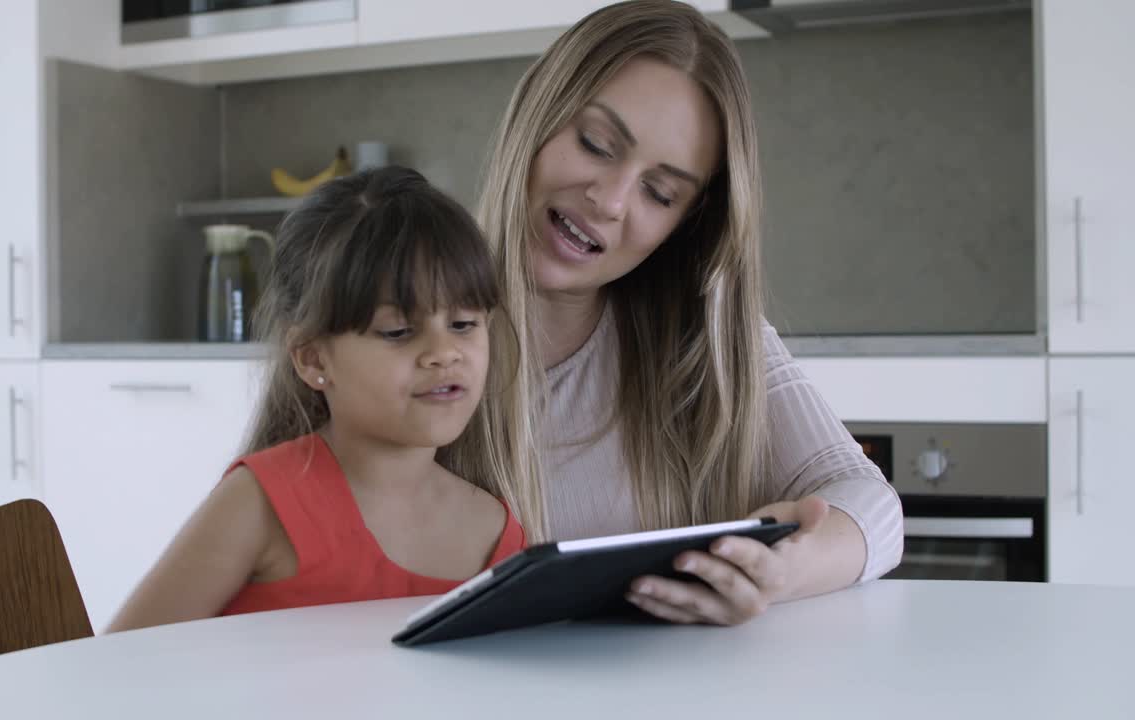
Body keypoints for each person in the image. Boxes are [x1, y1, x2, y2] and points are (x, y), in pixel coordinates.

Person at [468, 0, 905, 625]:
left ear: (684, 224)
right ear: (537, 108)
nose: (611, 201)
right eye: (596, 143)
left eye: (660, 192)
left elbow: (872, 507)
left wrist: (778, 573)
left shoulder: (706, 336)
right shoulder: (390, 310)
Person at [106, 167, 526, 632]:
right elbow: (116, 669)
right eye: (398, 331)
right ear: (312, 359)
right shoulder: (259, 506)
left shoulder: (497, 533)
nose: (444, 353)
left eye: (464, 324)